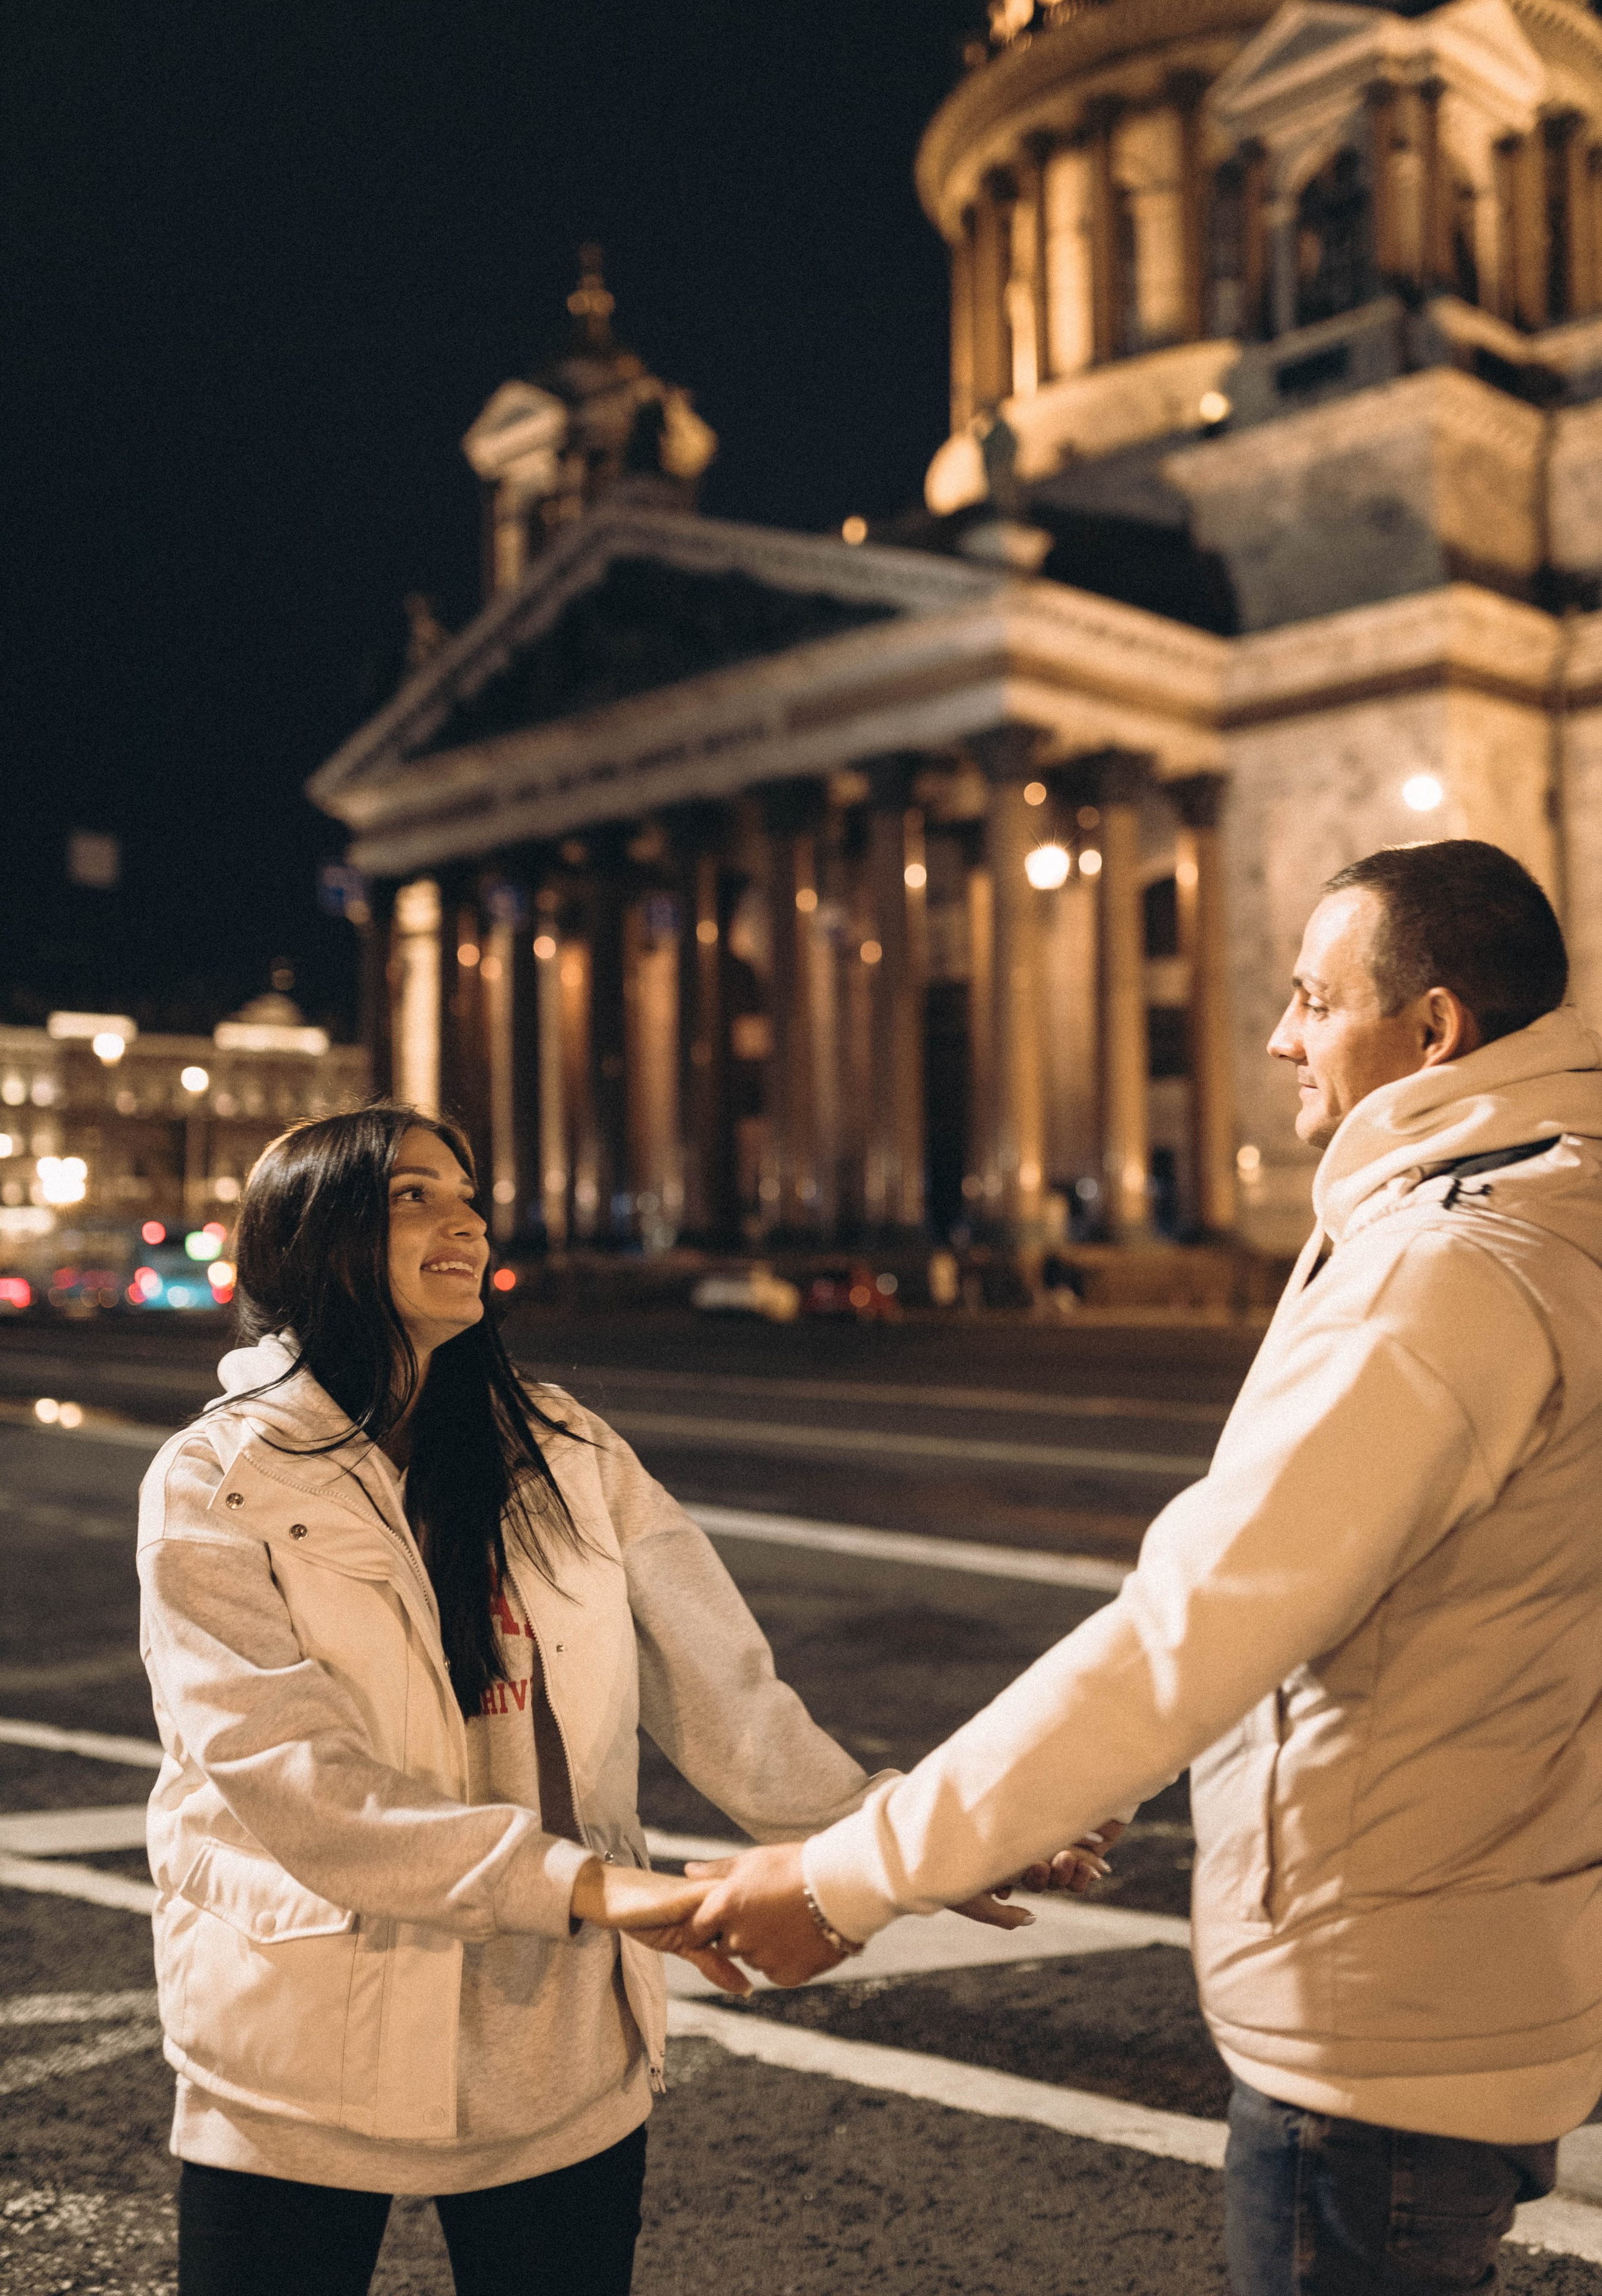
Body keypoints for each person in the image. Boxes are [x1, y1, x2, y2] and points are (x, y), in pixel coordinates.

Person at [688, 839, 1602, 2295]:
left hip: (1377, 2033)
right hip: (1485, 1955)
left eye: (1311, 998)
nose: (1277, 1035)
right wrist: (1058, 1798)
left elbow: (1197, 1625)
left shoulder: (1443, 1273)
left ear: (1430, 1030)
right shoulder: (1546, 1209)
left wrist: (850, 1878)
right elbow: (1348, 1612)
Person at [138, 1104, 1041, 2296]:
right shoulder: (218, 1479)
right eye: (412, 1195)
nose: (463, 1220)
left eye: (468, 1194)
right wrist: (583, 1884)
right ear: (311, 1235)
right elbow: (291, 1781)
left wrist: (912, 1838)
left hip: (549, 2034)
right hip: (304, 2034)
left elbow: (730, 1698)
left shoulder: (563, 1446)